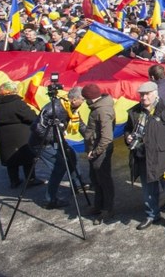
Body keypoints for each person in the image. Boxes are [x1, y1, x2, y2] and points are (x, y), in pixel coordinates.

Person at [126, 81, 165, 236]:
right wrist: (128, 138)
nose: (144, 97)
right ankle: (152, 215)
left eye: (147, 94)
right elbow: (127, 130)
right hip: (143, 158)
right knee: (148, 191)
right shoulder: (134, 112)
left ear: (155, 93)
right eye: (142, 94)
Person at [34, 87, 86, 210]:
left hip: (57, 140)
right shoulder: (54, 108)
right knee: (59, 167)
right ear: (74, 100)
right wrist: (55, 138)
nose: (84, 102)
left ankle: (77, 185)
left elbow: (81, 125)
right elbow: (37, 128)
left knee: (72, 156)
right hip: (42, 143)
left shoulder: (72, 109)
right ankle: (50, 200)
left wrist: (91, 138)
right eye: (82, 99)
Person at [0, 81, 41, 189]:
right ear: (13, 91)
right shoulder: (18, 103)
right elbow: (31, 117)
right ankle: (30, 179)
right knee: (27, 156)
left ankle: (14, 181)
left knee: (10, 158)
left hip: (3, 133)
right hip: (21, 132)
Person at [80, 83, 116, 225]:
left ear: (89, 98)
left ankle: (107, 209)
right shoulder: (97, 108)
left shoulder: (102, 111)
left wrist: (95, 152)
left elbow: (106, 137)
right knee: (96, 180)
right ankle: (98, 205)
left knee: (104, 180)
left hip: (100, 151)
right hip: (94, 150)